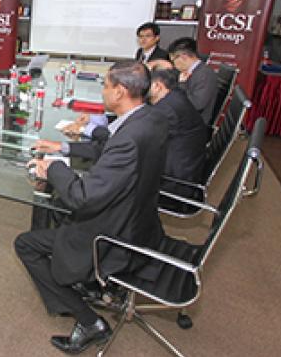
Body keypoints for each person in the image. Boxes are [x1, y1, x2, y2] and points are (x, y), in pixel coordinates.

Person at [16, 61, 167, 354]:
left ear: (121, 91)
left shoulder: (130, 139)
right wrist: (63, 149)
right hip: (140, 219)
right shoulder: (150, 118)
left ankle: (89, 321)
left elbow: (82, 197)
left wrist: (53, 168)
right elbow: (109, 147)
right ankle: (80, 282)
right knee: (56, 203)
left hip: (113, 236)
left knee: (26, 243)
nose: (102, 90)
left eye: (105, 85)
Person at [146, 61, 209, 212]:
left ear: (157, 86)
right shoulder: (175, 97)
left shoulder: (167, 110)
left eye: (143, 84)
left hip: (172, 182)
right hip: (184, 170)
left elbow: (135, 137)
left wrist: (90, 129)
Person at [168, 37, 218, 124]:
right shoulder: (192, 71)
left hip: (193, 125)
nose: (174, 65)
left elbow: (196, 105)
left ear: (183, 57)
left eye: (173, 61)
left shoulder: (204, 74)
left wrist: (182, 84)